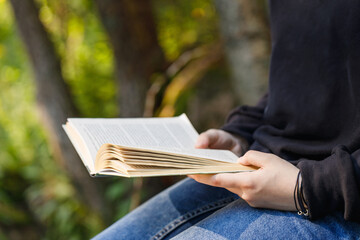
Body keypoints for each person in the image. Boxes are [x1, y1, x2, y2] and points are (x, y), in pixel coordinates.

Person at [93, 1, 360, 239]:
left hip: (340, 197)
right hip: (262, 166)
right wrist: (241, 132)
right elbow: (311, 75)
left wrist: (309, 187)